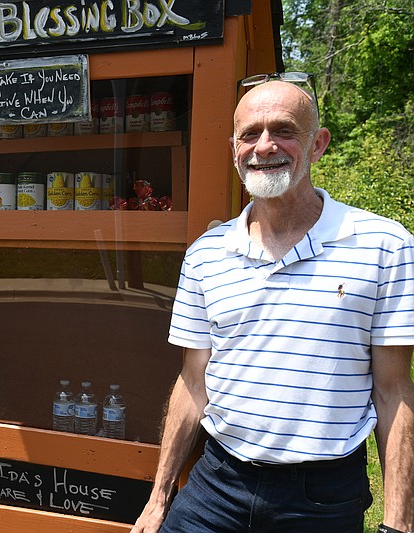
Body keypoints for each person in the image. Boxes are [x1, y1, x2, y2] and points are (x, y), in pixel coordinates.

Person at [130, 75, 414, 533]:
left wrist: (399, 523)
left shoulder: (385, 246)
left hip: (320, 495)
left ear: (318, 143)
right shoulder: (206, 253)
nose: (264, 146)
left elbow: (394, 392)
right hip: (216, 484)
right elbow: (192, 381)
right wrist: (158, 498)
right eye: (249, 134)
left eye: (283, 130)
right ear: (234, 149)